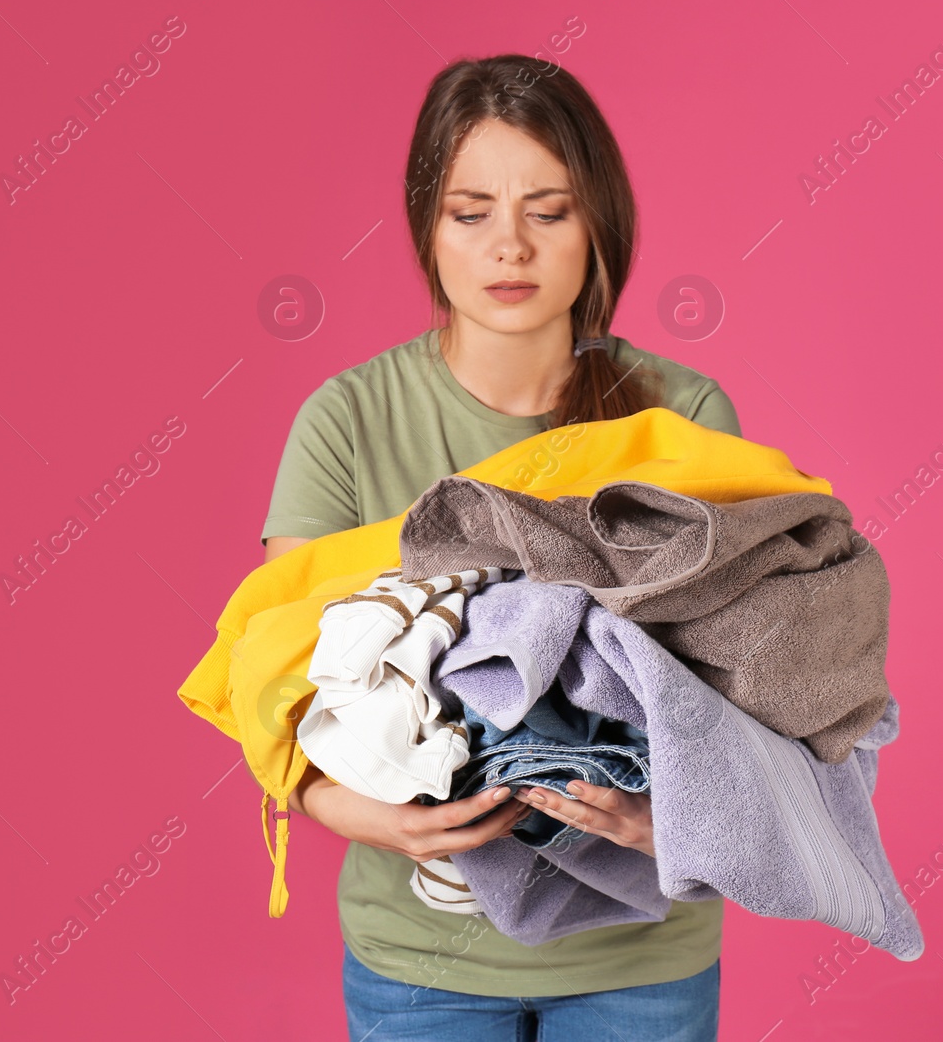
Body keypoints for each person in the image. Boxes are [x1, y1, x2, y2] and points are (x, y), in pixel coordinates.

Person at [261, 53, 741, 1042]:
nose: (509, 245)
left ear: (597, 221)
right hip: (420, 960)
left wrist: (680, 822)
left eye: (549, 210)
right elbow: (276, 677)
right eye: (470, 210)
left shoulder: (683, 415)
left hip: (641, 957)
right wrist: (353, 810)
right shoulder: (347, 420)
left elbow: (750, 683)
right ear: (425, 228)